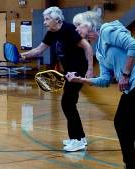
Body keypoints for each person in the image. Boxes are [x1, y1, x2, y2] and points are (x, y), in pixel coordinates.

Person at [65, 11, 135, 169]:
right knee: (121, 123)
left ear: (90, 24)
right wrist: (81, 80)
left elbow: (133, 46)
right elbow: (105, 79)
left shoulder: (108, 30)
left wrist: (125, 74)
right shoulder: (100, 50)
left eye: (79, 24)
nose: (76, 28)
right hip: (132, 85)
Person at [21, 7, 94, 152]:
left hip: (77, 70)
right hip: (68, 71)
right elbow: (39, 50)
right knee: (69, 103)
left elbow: (87, 47)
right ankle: (79, 138)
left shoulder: (68, 29)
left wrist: (90, 70)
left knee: (67, 103)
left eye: (47, 19)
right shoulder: (51, 33)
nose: (44, 22)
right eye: (44, 19)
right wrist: (24, 55)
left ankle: (77, 140)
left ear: (57, 19)